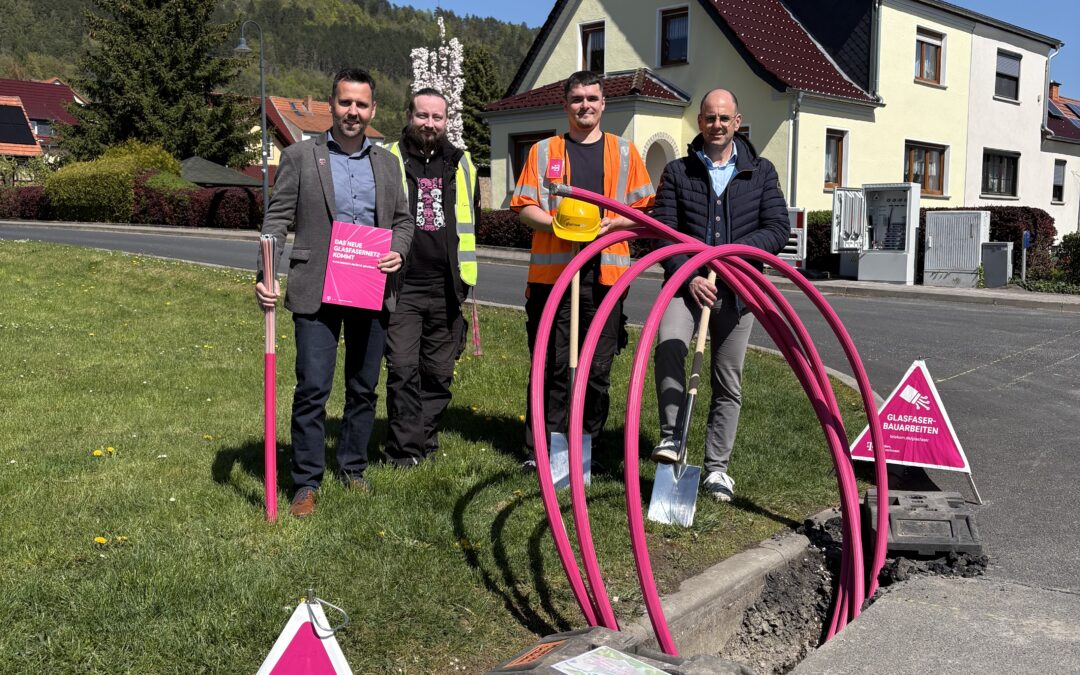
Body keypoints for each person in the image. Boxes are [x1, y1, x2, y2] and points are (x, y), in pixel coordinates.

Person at [256, 68, 414, 518]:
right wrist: (265, 273)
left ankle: (352, 469)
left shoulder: (387, 164)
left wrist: (398, 252)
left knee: (363, 388)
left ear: (373, 110)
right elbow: (277, 219)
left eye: (361, 105)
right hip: (315, 289)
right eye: (346, 103)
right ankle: (306, 482)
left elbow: (402, 221)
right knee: (313, 388)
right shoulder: (302, 157)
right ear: (332, 105)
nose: (353, 112)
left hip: (370, 286)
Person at [650, 88, 790, 502]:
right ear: (700, 122)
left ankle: (716, 469)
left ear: (737, 121)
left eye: (724, 119)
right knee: (670, 346)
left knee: (727, 378)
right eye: (709, 118)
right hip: (686, 284)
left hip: (738, 288)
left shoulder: (760, 172)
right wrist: (689, 273)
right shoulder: (679, 171)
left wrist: (733, 258)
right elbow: (662, 233)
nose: (716, 125)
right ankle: (672, 440)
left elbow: (778, 228)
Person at [511, 70, 655, 469]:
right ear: (566, 105)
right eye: (577, 99)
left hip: (605, 278)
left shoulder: (625, 153)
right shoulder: (543, 152)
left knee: (597, 369)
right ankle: (541, 451)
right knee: (551, 365)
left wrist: (614, 224)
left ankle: (585, 446)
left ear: (603, 103)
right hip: (552, 279)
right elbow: (524, 206)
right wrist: (556, 224)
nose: (585, 106)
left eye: (592, 98)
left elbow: (643, 212)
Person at [382, 88, 479, 467]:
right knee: (403, 370)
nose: (430, 124)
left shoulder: (461, 162)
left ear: (447, 120)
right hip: (402, 284)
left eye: (437, 117)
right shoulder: (389, 159)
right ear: (409, 116)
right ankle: (404, 453)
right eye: (423, 115)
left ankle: (423, 441)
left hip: (448, 285)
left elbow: (472, 220)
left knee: (438, 372)